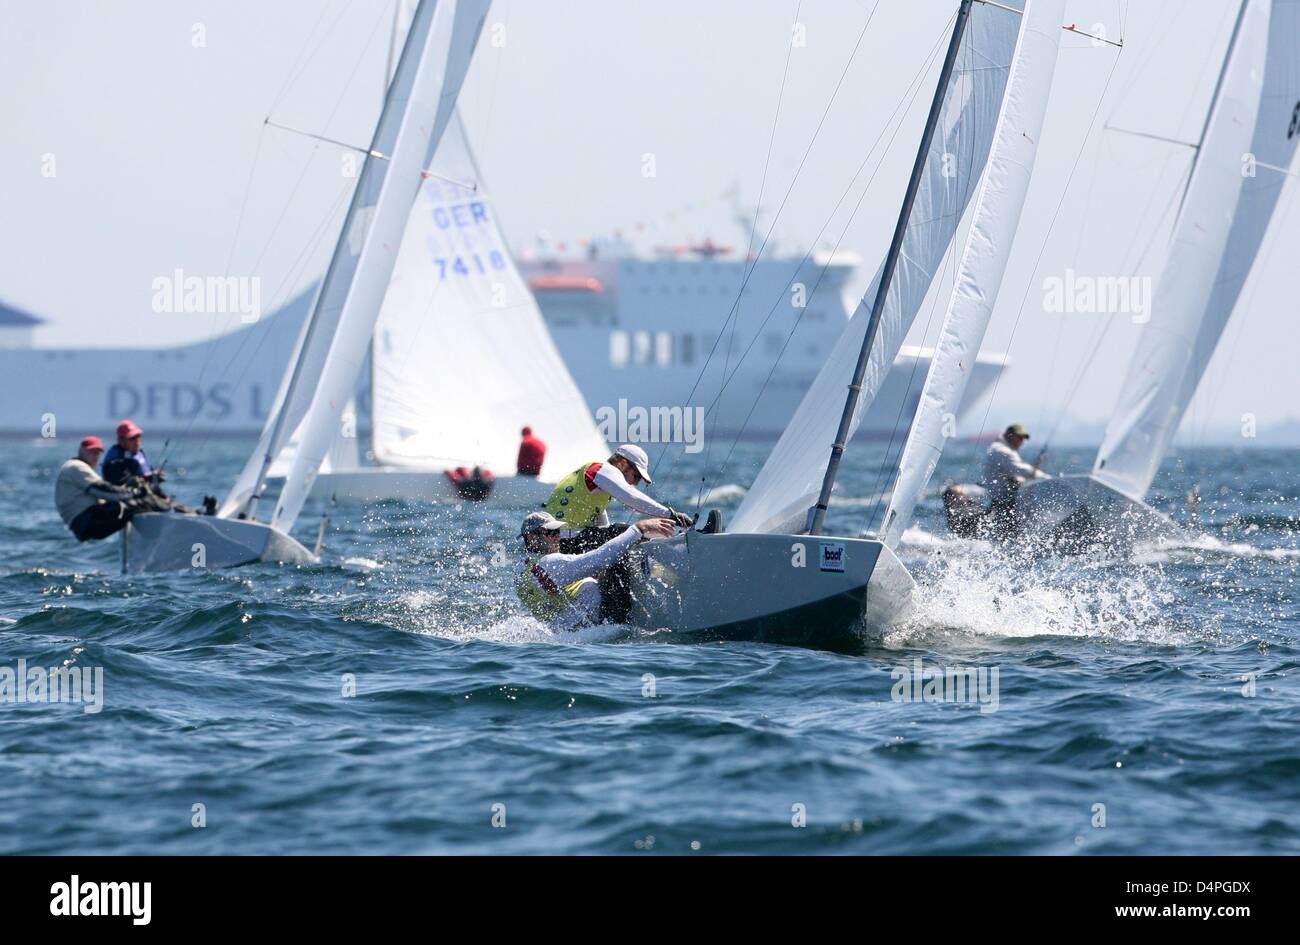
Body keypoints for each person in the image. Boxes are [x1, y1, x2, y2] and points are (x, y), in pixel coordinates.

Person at [516, 510, 675, 628]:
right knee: (617, 559)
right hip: (598, 630)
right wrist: (638, 529)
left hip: (565, 631)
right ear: (531, 537)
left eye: (557, 531)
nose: (557, 536)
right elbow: (601, 558)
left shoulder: (521, 568)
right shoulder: (550, 562)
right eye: (550, 532)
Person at [544, 444, 692, 552]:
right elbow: (630, 496)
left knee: (622, 534)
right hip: (562, 541)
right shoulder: (601, 469)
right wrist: (671, 515)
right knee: (626, 532)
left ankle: (672, 545)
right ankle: (676, 550)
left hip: (565, 541)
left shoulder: (597, 488)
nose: (635, 483)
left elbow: (602, 527)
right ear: (622, 464)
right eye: (636, 476)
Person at [55, 436, 141, 541]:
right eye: (91, 451)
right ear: (81, 451)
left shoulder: (73, 468)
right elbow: (102, 489)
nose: (95, 456)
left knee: (128, 507)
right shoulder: (76, 466)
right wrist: (134, 493)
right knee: (133, 505)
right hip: (86, 521)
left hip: (83, 523)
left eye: (97, 453)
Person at [981, 423, 1049, 533]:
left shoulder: (1001, 448)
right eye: (1019, 437)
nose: (1021, 441)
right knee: (1008, 534)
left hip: (1005, 501)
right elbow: (1019, 469)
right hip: (1004, 502)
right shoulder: (1001, 451)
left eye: (1023, 438)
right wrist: (1046, 478)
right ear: (1008, 435)